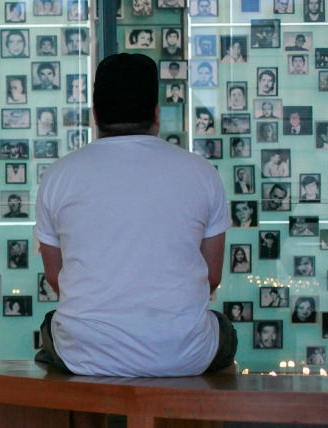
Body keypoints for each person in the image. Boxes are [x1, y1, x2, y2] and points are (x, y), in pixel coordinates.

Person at [34, 53, 236, 396]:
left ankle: (85, 416)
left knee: (52, 329)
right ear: (156, 114)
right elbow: (212, 276)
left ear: (95, 114)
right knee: (224, 334)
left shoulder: (58, 175)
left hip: (85, 351)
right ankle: (196, 415)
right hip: (182, 352)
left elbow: (57, 278)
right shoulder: (202, 173)